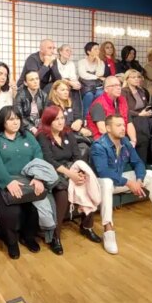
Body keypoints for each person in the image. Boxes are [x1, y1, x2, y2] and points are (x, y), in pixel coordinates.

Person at [92, 115, 152, 254]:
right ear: (108, 128)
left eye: (123, 125)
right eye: (118, 125)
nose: (123, 128)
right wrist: (129, 183)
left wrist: (139, 180)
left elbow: (137, 162)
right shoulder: (99, 145)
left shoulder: (125, 142)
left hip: (118, 181)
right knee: (107, 182)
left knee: (149, 174)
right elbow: (103, 171)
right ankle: (108, 230)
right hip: (100, 184)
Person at [0, 106, 47, 258]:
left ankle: (27, 237)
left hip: (26, 182)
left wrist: (38, 177)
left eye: (17, 118)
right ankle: (11, 242)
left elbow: (38, 156)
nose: (15, 122)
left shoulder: (28, 137)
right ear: (2, 122)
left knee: (33, 211)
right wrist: (8, 182)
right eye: (10, 119)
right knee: (12, 213)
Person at [37, 106, 100, 253]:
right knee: (62, 192)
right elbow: (49, 160)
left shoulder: (68, 133)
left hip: (71, 169)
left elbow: (77, 156)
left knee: (87, 182)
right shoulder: (42, 136)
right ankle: (55, 236)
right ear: (48, 121)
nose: (60, 122)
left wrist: (79, 173)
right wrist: (71, 174)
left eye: (62, 118)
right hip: (52, 173)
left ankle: (87, 226)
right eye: (56, 119)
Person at [86, 76, 137, 144]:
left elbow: (129, 123)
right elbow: (102, 129)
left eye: (119, 85)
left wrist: (133, 141)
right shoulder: (98, 104)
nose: (118, 88)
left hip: (120, 138)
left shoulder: (122, 100)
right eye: (114, 85)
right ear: (106, 89)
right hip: (103, 141)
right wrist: (121, 142)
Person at [121, 69, 152, 160]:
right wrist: (139, 114)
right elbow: (124, 109)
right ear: (127, 79)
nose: (136, 79)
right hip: (131, 119)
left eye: (138, 77)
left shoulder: (141, 90)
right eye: (133, 77)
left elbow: (146, 105)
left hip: (143, 118)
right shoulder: (123, 92)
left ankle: (144, 160)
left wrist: (148, 111)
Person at [14, 70, 47, 135]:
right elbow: (19, 116)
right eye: (32, 80)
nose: (35, 82)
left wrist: (41, 126)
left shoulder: (44, 95)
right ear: (25, 83)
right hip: (26, 127)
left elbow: (46, 114)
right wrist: (31, 127)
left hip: (40, 126)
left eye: (37, 79)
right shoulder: (20, 96)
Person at [78, 42, 106, 110]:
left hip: (97, 85)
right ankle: (85, 115)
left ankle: (95, 113)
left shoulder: (101, 62)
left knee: (101, 93)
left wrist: (98, 62)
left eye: (98, 49)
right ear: (88, 52)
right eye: (95, 49)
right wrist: (96, 77)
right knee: (89, 95)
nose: (98, 51)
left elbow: (100, 74)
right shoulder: (82, 62)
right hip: (85, 85)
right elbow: (83, 75)